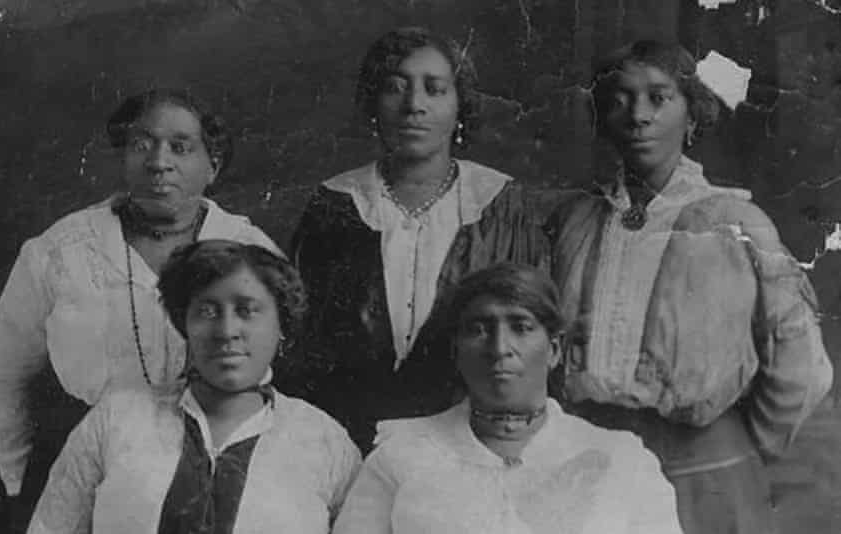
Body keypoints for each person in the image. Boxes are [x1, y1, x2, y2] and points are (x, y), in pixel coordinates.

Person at [547, 40, 833, 534]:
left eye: (659, 98)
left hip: (703, 478)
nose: (638, 115)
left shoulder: (736, 222)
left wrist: (741, 446)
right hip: (589, 468)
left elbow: (801, 365)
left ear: (693, 114)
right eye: (620, 98)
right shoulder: (575, 221)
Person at [0, 89, 281, 529]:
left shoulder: (250, 249)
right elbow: (0, 376)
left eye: (180, 147)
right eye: (142, 144)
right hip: (85, 467)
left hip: (217, 469)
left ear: (212, 165)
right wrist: (17, 477)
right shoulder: (60, 252)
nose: (159, 162)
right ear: (122, 157)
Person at [285, 26, 546, 452]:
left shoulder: (500, 204)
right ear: (374, 103)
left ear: (461, 104)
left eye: (435, 89)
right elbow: (301, 343)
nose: (414, 105)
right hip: (346, 440)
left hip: (472, 442)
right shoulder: (335, 205)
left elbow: (530, 338)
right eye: (395, 88)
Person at [28, 240, 360, 533]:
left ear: (282, 324)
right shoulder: (117, 421)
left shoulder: (324, 442)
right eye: (207, 311)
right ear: (184, 323)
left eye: (248, 311)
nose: (227, 330)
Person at [332, 263, 682, 534]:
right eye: (479, 329)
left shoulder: (621, 459)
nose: (500, 349)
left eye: (521, 327)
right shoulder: (401, 458)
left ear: (554, 349)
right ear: (456, 350)